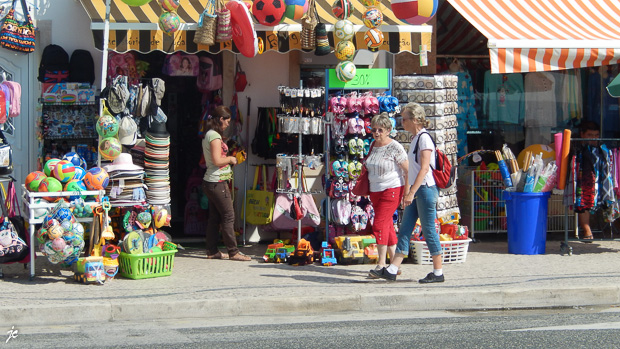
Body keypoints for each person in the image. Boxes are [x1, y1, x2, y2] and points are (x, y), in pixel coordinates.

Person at [376, 103, 444, 283]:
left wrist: (410, 192)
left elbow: (424, 169)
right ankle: (392, 268)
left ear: (415, 120)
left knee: (429, 230)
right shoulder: (415, 138)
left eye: (404, 119)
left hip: (425, 189)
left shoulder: (424, 139)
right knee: (405, 229)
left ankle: (438, 272)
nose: (402, 122)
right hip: (417, 190)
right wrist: (410, 191)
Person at [202, 105, 250, 261]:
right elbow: (217, 160)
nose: (228, 124)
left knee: (215, 217)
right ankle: (233, 252)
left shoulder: (209, 134)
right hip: (217, 181)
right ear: (220, 119)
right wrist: (230, 159)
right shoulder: (214, 136)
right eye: (227, 121)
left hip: (211, 182)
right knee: (229, 216)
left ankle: (212, 251)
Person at [366, 113, 409, 279]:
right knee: (388, 226)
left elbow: (407, 170)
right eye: (374, 129)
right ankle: (394, 265)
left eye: (380, 130)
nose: (377, 133)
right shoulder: (373, 146)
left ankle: (381, 263)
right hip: (375, 191)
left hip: (392, 189)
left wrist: (407, 192)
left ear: (388, 130)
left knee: (378, 225)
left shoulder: (395, 147)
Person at [576, 120, 600, 242]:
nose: (594, 138)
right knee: (583, 200)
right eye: (590, 135)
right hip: (584, 180)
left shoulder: (602, 150)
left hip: (600, 180)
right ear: (582, 135)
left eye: (596, 135)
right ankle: (586, 229)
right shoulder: (577, 150)